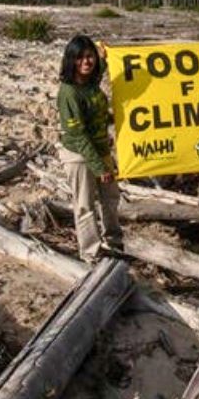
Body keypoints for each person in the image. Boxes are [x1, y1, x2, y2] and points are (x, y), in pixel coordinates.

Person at [56, 34, 123, 262]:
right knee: (85, 205)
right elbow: (79, 134)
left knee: (111, 197)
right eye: (81, 58)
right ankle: (91, 252)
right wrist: (98, 167)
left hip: (101, 150)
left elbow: (96, 74)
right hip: (79, 156)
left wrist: (104, 57)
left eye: (90, 57)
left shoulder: (89, 84)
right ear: (71, 60)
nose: (87, 62)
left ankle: (114, 241)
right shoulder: (69, 92)